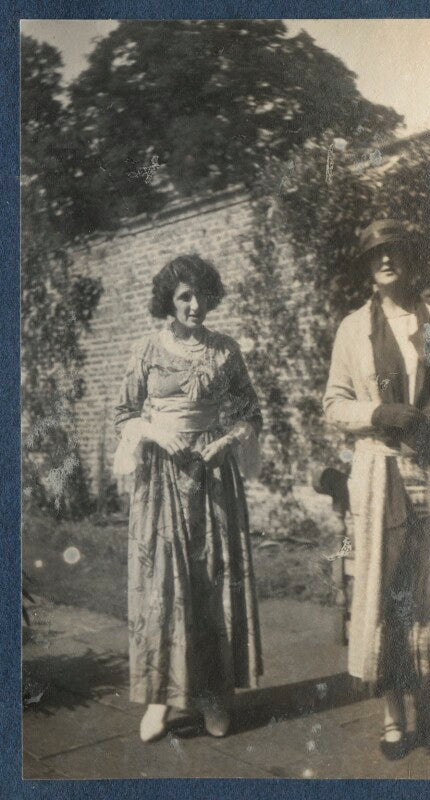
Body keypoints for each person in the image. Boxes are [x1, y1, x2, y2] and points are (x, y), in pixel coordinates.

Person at [323, 219, 430, 759]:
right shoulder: (354, 329)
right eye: (376, 254)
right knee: (388, 592)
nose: (386, 260)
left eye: (395, 251)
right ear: (367, 265)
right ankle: (392, 715)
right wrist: (379, 411)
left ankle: (427, 702)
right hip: (381, 474)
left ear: (409, 258)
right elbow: (333, 405)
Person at [114, 254, 263, 742]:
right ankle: (161, 698)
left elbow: (250, 413)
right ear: (168, 301)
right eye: (184, 297)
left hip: (213, 478)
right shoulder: (146, 350)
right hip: (161, 483)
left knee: (212, 580)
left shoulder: (225, 351)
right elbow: (123, 413)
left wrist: (228, 439)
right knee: (163, 584)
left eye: (200, 295)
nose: (194, 305)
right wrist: (155, 433)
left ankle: (215, 697)